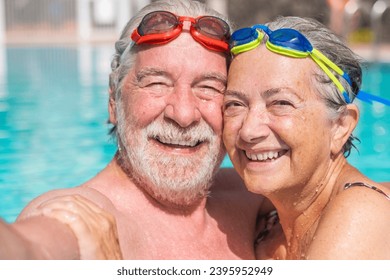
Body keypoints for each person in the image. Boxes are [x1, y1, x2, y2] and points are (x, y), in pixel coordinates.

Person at [0, 0, 270, 260]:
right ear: (113, 102)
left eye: (208, 87)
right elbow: (28, 250)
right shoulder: (86, 216)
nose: (184, 114)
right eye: (157, 83)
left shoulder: (253, 195)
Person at [223, 15, 390, 259]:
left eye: (281, 103)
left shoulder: (361, 213)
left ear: (341, 126)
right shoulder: (269, 228)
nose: (249, 130)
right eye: (235, 104)